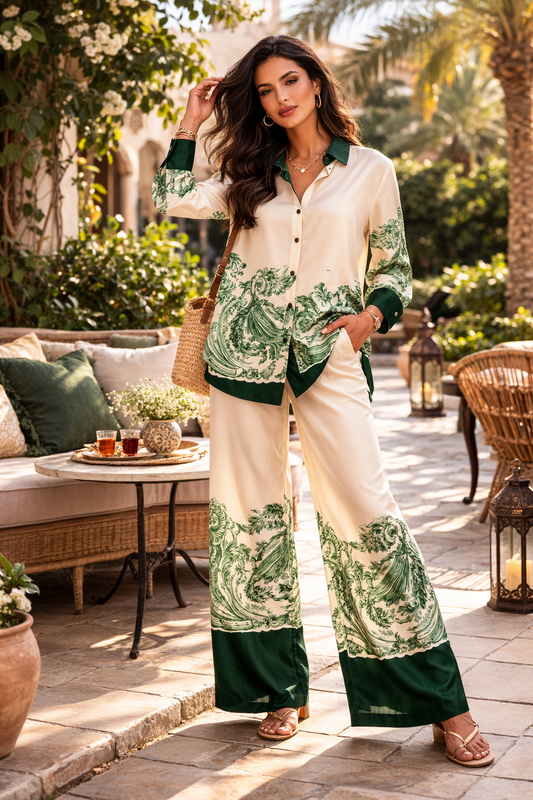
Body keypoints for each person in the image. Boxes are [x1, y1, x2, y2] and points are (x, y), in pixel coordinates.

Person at [152, 34, 493, 767]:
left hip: (328, 356)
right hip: (240, 359)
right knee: (249, 517)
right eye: (268, 90)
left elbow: (392, 264)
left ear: (315, 82)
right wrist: (190, 118)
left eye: (291, 81)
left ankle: (441, 704)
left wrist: (370, 317)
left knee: (367, 515)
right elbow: (170, 197)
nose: (281, 97)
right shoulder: (250, 171)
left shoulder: (371, 169)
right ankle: (278, 691)